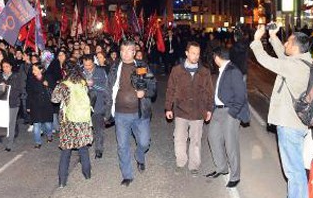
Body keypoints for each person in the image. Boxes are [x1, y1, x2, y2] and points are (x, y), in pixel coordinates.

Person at [250, 24, 313, 198]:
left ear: (295, 47)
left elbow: (266, 61)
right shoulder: (304, 61)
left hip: (289, 125)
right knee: (296, 168)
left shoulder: (295, 67)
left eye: (287, 42)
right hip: (297, 123)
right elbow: (283, 57)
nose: (285, 44)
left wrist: (256, 40)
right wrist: (273, 37)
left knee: (294, 171)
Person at [108, 39, 156, 186]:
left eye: (129, 50)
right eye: (122, 50)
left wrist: (145, 92)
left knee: (144, 142)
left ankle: (140, 156)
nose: (125, 53)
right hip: (121, 114)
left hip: (140, 113)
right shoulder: (115, 67)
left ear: (134, 52)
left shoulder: (142, 67)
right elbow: (108, 88)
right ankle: (127, 175)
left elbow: (153, 87)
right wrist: (106, 111)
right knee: (122, 146)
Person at [164, 41, 214, 176]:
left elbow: (210, 92)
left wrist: (209, 109)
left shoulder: (204, 72)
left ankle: (194, 166)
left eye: (198, 54)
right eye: (193, 53)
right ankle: (180, 162)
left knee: (196, 140)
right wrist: (168, 107)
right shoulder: (177, 70)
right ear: (187, 53)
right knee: (179, 138)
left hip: (198, 112)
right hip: (181, 110)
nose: (196, 56)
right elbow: (170, 89)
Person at [205, 47, 249, 187]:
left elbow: (241, 95)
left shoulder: (233, 71)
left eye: (213, 57)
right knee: (212, 137)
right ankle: (221, 168)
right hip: (218, 111)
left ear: (217, 57)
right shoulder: (223, 70)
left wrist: (233, 113)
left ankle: (235, 176)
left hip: (229, 111)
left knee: (231, 144)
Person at [51, 62, 94, 188]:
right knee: (83, 149)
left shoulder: (63, 85)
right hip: (82, 120)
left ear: (65, 71)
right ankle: (87, 174)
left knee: (66, 152)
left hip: (68, 122)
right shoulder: (82, 83)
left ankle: (62, 181)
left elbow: (54, 99)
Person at [82, 54, 111, 159]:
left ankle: (99, 150)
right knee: (85, 129)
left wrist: (93, 85)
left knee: (99, 129)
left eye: (89, 65)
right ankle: (83, 151)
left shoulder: (101, 72)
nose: (87, 67)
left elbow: (106, 88)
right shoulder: (80, 72)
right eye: (85, 65)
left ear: (93, 63)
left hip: (98, 105)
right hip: (84, 106)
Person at [0, 60, 26, 152]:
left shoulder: (16, 76)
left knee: (11, 123)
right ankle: (6, 136)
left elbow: (19, 89)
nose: (5, 69)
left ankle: (10, 143)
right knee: (4, 122)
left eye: (7, 66)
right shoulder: (0, 76)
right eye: (3, 67)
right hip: (3, 103)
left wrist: (7, 86)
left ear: (11, 67)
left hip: (13, 102)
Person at [26, 62, 54, 148]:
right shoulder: (31, 79)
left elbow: (55, 87)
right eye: (32, 69)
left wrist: (48, 84)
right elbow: (29, 93)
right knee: (36, 124)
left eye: (35, 69)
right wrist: (28, 106)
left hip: (47, 103)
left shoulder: (48, 77)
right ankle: (38, 142)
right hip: (35, 104)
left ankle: (49, 135)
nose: (33, 71)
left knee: (48, 124)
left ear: (41, 70)